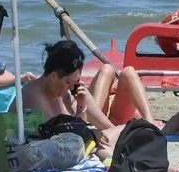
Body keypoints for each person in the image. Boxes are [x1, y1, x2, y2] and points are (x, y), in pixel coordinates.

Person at [20, 40, 154, 157]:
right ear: (54, 76)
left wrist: (81, 105)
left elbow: (76, 126)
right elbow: (56, 136)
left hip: (66, 145)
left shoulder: (58, 91)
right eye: (68, 82)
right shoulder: (35, 96)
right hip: (49, 151)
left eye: (75, 82)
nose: (70, 88)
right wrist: (90, 133)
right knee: (122, 134)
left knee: (125, 131)